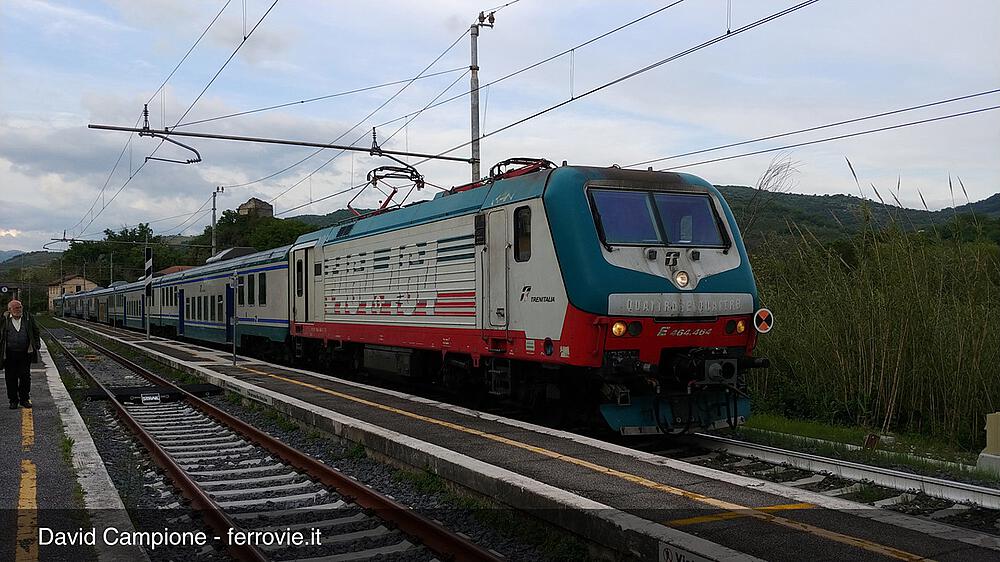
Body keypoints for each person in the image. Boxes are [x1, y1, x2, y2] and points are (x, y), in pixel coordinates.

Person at [0, 300, 41, 409]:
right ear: (10, 310)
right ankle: (13, 400)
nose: (19, 310)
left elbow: (36, 331)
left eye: (20, 307)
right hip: (9, 354)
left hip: (25, 353)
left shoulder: (28, 318)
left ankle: (24, 399)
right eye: (16, 308)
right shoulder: (4, 320)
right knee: (10, 378)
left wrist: (36, 344)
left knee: (25, 377)